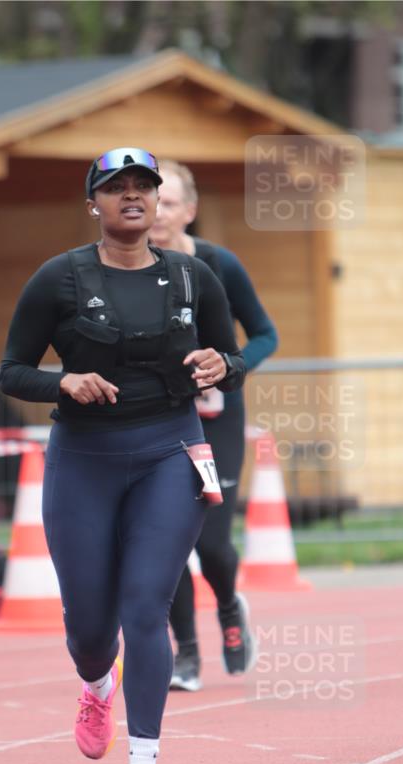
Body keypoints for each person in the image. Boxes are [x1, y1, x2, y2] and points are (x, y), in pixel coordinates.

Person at [0, 148, 245, 764]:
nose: (132, 197)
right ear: (94, 204)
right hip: (83, 458)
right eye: (116, 188)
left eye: (144, 187)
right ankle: (92, 681)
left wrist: (217, 365)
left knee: (145, 607)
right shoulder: (60, 279)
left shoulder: (195, 278)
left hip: (170, 452)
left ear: (158, 201)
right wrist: (64, 381)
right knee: (87, 624)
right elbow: (12, 371)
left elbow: (232, 364)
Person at [150, 161, 279, 689]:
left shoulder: (218, 264)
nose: (158, 214)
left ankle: (228, 603)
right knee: (168, 539)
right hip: (161, 420)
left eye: (170, 204)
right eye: (152, 202)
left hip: (217, 420)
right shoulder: (127, 269)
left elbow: (266, 334)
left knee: (212, 544)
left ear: (191, 211)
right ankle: (186, 654)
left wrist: (229, 366)